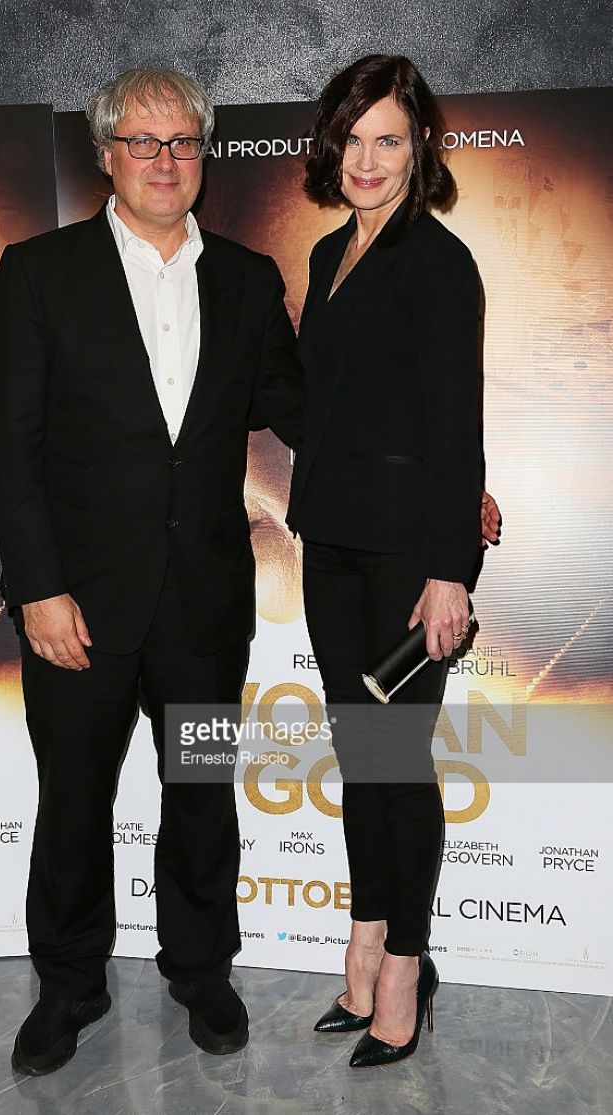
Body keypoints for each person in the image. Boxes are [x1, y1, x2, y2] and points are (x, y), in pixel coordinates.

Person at [0, 67, 303, 1075]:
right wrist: (37, 587)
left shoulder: (248, 279)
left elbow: (307, 410)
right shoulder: (39, 271)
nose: (165, 160)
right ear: (107, 154)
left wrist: (435, 477)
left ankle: (201, 968)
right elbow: (10, 445)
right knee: (74, 801)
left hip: (203, 609)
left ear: (204, 154)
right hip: (75, 607)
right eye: (143, 141)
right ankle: (68, 983)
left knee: (200, 790)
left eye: (183, 142)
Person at [287, 54, 493, 1067]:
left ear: (420, 151)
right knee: (360, 757)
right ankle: (366, 935)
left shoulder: (439, 262)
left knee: (396, 765)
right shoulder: (329, 253)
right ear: (332, 146)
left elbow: (457, 423)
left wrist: (451, 566)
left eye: (389, 141)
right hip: (329, 544)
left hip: (409, 560)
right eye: (353, 139)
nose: (367, 160)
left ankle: (405, 962)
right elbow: (323, 404)